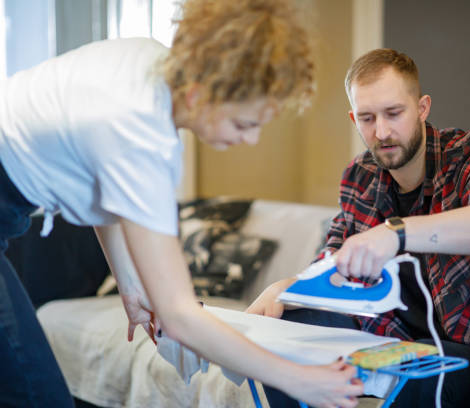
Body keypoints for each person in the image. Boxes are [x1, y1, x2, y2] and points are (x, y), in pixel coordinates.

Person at [0, 1, 364, 407]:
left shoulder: (146, 62)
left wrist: (130, 285)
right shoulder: (141, 131)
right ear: (198, 94)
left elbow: (103, 187)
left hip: (9, 205)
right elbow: (180, 316)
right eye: (244, 124)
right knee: (35, 395)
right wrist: (300, 379)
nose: (252, 140)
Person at [247, 48, 470, 407]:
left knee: (417, 367)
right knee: (292, 333)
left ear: (422, 108)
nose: (382, 132)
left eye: (394, 114)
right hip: (392, 342)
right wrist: (287, 288)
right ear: (353, 118)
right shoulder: (359, 176)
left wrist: (397, 232)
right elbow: (333, 260)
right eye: (367, 118)